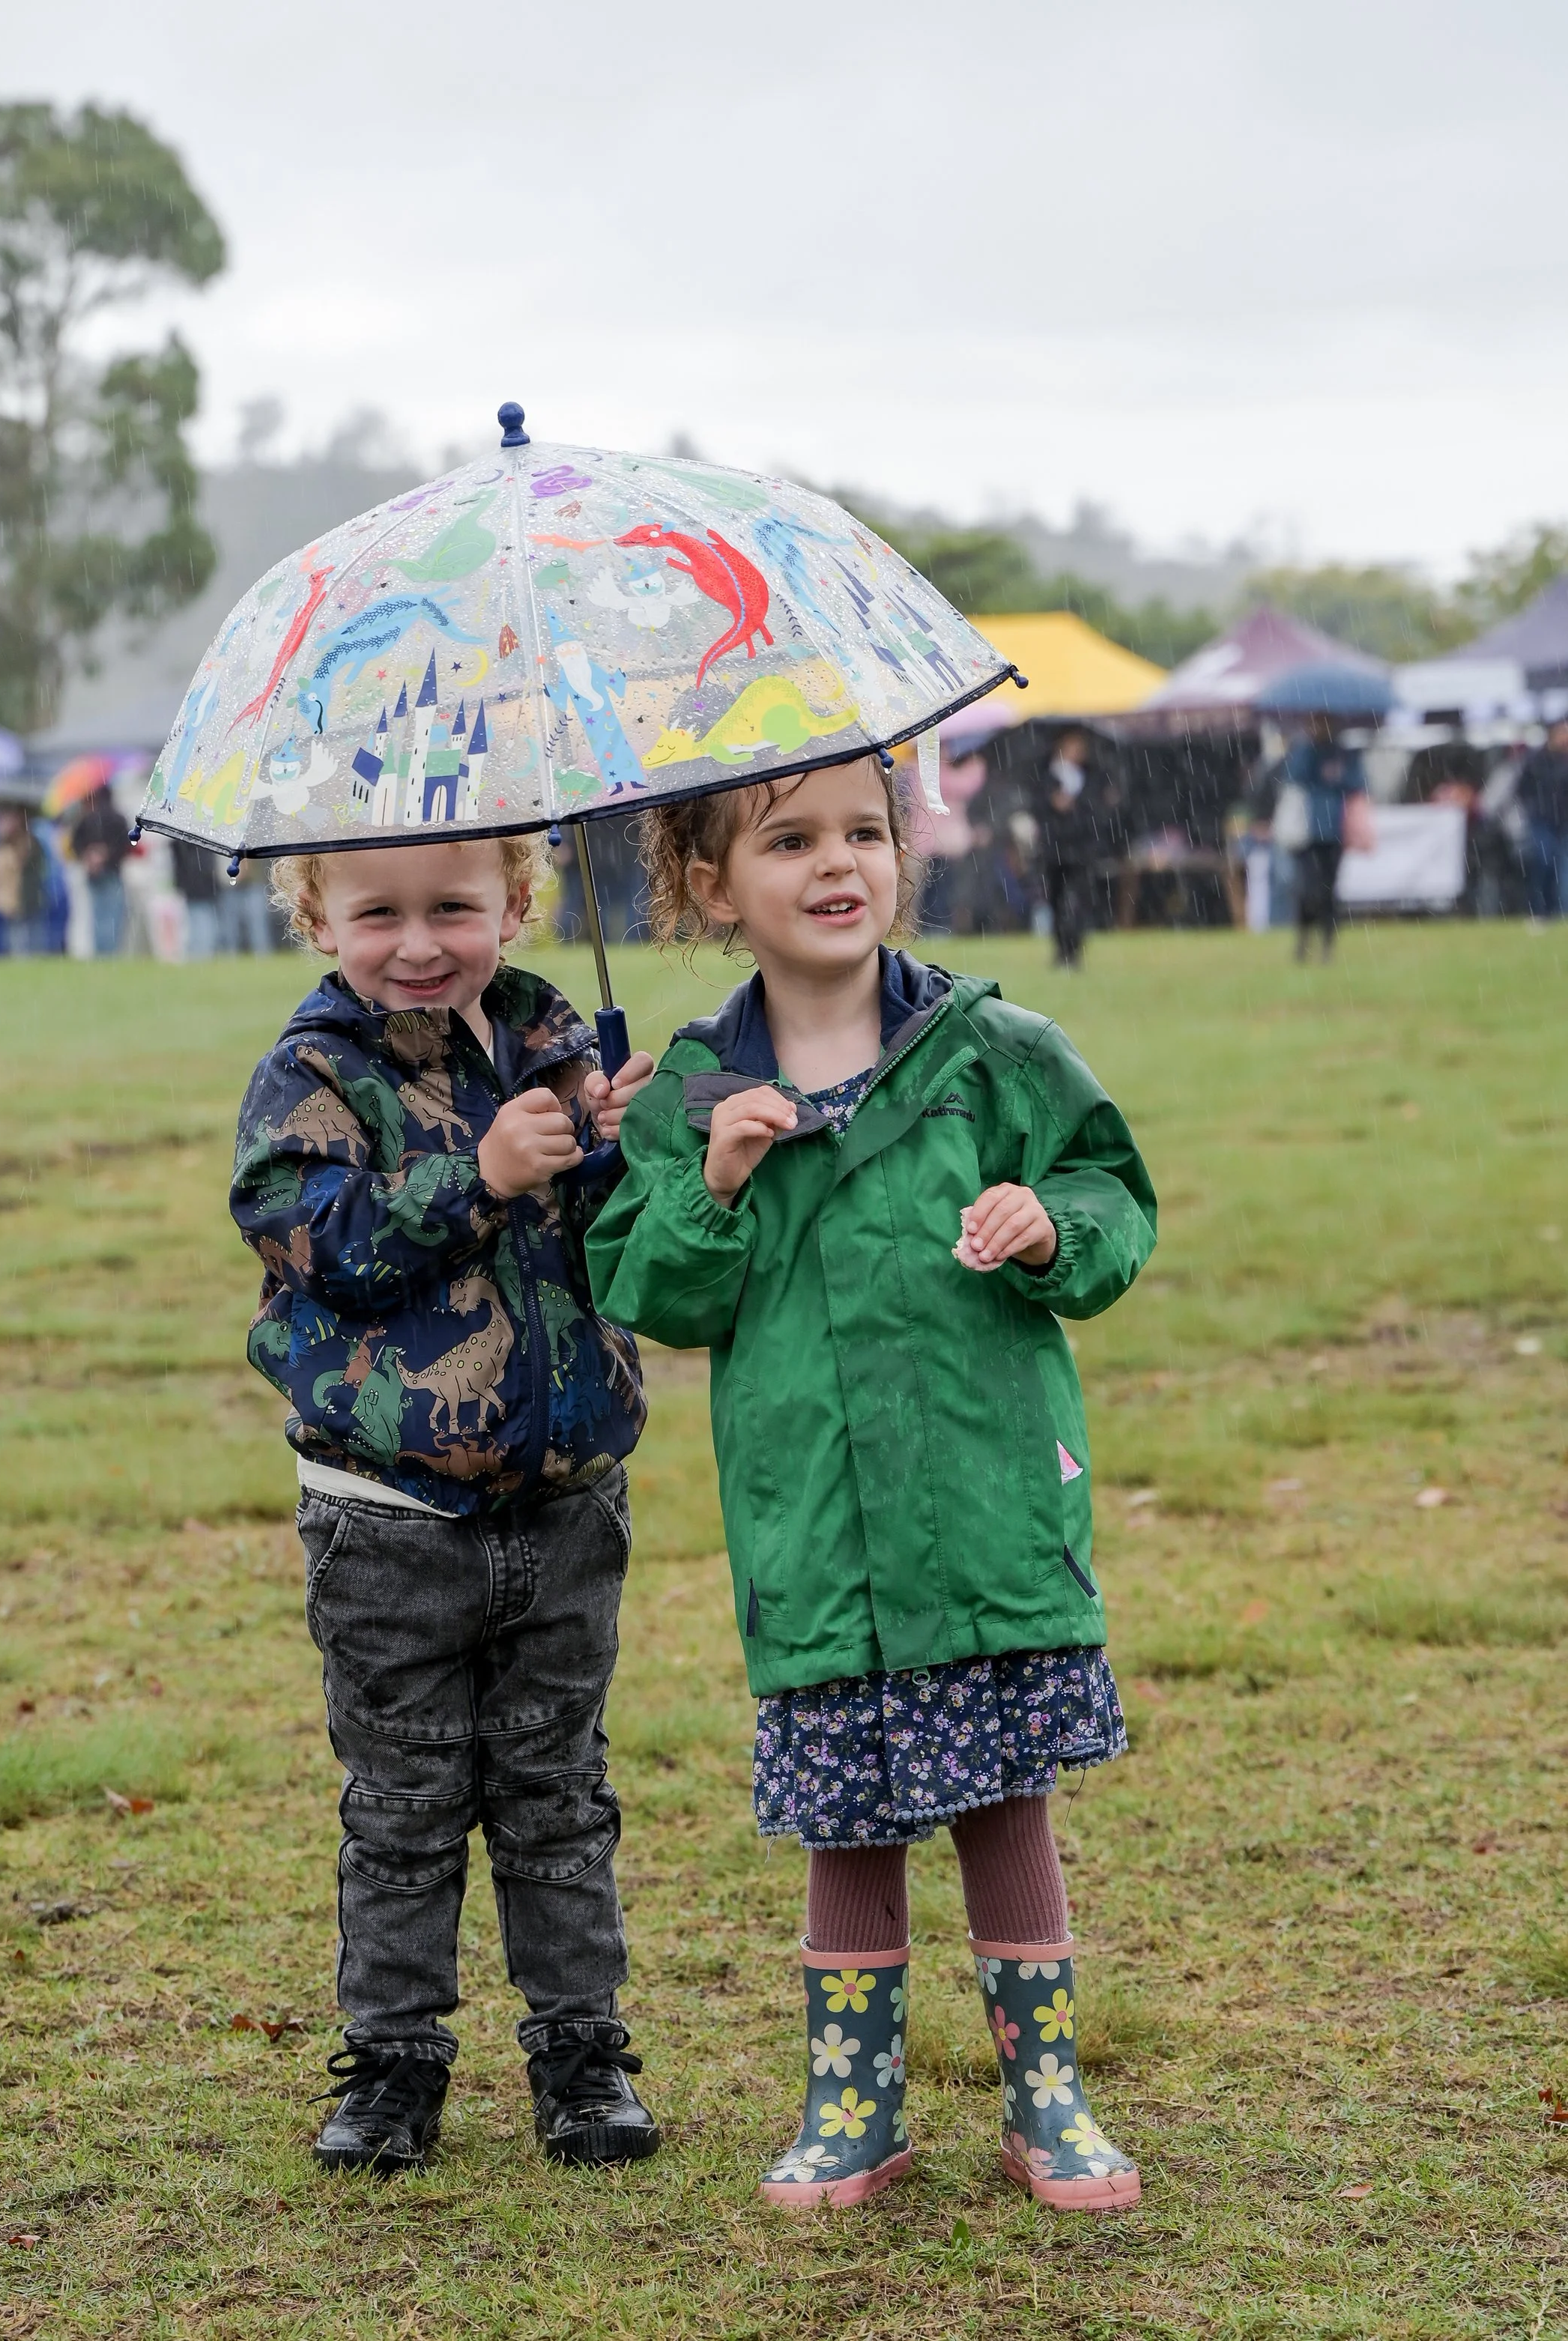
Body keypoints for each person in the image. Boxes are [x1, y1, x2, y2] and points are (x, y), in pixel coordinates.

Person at [589, 753, 1157, 2214]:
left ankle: (1047, 2092)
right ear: (711, 885)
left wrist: (1048, 1223)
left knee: (1005, 1800)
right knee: (847, 1818)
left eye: (863, 830)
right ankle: (851, 2104)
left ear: (904, 851)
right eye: (788, 840)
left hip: (985, 1504)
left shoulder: (996, 1051)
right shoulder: (694, 1090)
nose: (836, 861)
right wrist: (710, 1182)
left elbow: (1108, 1192)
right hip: (819, 1528)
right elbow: (651, 1289)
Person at [231, 835, 660, 2177]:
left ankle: (582, 2053)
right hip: (388, 1518)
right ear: (319, 920)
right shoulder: (313, 1074)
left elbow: (610, 1246)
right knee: (406, 1802)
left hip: (565, 1507)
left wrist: (619, 1147)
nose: (419, 942)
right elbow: (321, 1242)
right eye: (379, 913)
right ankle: (394, 2062)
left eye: (454, 908)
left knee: (556, 1790)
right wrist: (481, 1171)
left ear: (517, 904)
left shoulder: (554, 1044)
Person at [1279, 713, 1369, 960]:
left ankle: (1328, 943)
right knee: (1307, 891)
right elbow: (1294, 778)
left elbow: (1356, 782)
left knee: (1328, 891)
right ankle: (1304, 940)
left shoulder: (1344, 754)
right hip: (1306, 833)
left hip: (1333, 832)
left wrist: (1337, 775)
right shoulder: (1303, 751)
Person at [1036, 730, 1109, 970]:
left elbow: (1097, 810)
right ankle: (1061, 949)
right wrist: (1053, 802)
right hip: (1054, 849)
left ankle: (1075, 948)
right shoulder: (1045, 776)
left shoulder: (1092, 776)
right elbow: (1038, 807)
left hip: (1082, 850)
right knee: (1056, 901)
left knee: (1080, 901)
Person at [69, 781, 131, 957]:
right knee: (112, 917)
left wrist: (88, 856)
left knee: (98, 916)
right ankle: (109, 953)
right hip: (112, 873)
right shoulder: (118, 818)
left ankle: (101, 953)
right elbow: (127, 844)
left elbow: (75, 843)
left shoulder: (85, 819)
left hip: (95, 874)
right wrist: (107, 855)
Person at [1516, 716, 1568, 921]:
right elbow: (1523, 788)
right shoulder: (1536, 760)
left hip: (1563, 822)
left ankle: (1561, 912)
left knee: (1563, 869)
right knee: (1543, 863)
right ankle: (1540, 910)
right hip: (1542, 820)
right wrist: (1535, 809)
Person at [0, 809, 49, 957]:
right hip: (11, 904)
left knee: (32, 944)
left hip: (29, 901)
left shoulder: (30, 842)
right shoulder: (1, 847)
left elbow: (28, 863)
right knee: (15, 943)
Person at [216, 848, 275, 955]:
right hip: (231, 888)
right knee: (231, 927)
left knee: (257, 926)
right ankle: (233, 955)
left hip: (253, 885)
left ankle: (262, 954)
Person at [172, 836, 221, 960]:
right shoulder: (205, 840)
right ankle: (201, 955)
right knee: (201, 922)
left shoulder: (188, 842)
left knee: (200, 923)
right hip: (202, 888)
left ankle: (201, 955)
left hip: (198, 888)